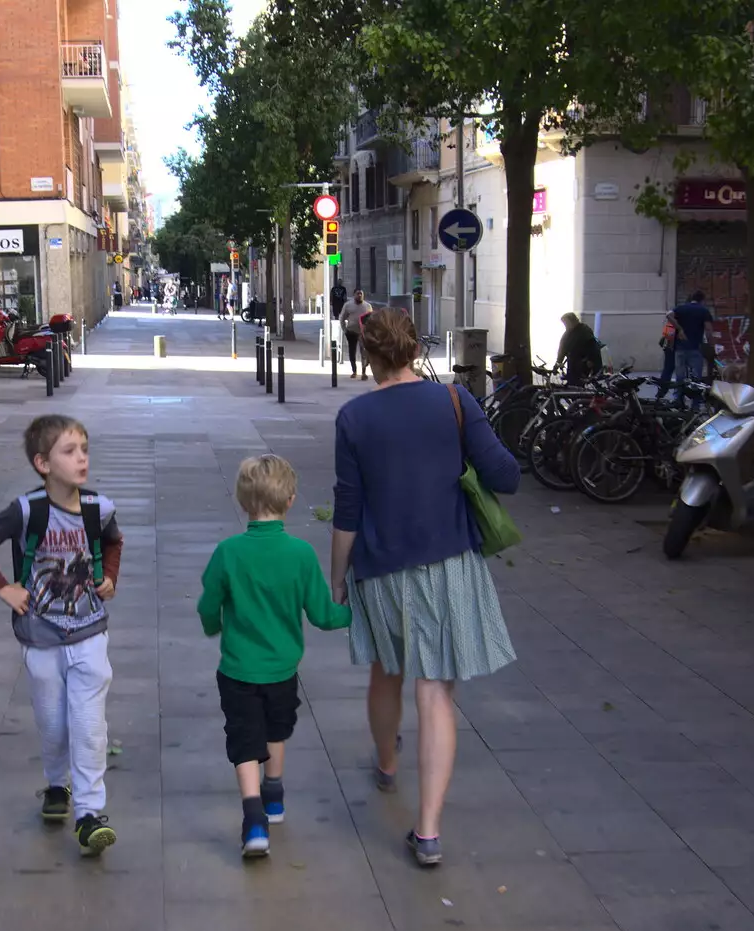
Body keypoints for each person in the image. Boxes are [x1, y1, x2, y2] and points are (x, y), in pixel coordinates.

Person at [329, 308, 519, 867]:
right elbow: (506, 475)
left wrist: (336, 580)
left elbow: (347, 510)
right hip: (449, 563)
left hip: (382, 566)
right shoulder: (455, 402)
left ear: (367, 355)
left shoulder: (353, 418)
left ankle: (386, 763)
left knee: (386, 669)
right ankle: (429, 832)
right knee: (435, 691)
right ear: (414, 349)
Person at [0, 415, 125, 857]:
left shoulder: (99, 507)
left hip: (90, 631)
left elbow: (113, 542)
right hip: (40, 635)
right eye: (69, 451)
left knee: (89, 726)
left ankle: (90, 815)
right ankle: (57, 786)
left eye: (84, 449)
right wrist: (3, 587)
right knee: (53, 724)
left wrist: (108, 576)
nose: (81, 459)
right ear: (42, 463)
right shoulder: (26, 510)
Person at [197, 455, 352, 858]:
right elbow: (322, 615)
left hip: (237, 668)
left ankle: (252, 822)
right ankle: (274, 795)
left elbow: (208, 604)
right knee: (276, 729)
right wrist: (355, 612)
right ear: (291, 500)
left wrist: (213, 624)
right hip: (283, 670)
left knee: (244, 738)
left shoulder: (228, 552)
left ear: (242, 499)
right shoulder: (300, 554)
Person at [666, 291, 716, 399]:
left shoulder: (680, 308)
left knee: (680, 377)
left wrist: (680, 329)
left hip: (680, 348)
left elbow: (668, 315)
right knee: (696, 379)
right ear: (702, 300)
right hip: (695, 348)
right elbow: (708, 329)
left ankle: (678, 400)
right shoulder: (703, 310)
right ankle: (695, 403)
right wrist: (711, 344)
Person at [555, 312, 603, 385]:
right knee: (571, 382)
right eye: (564, 323)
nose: (566, 325)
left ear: (573, 321)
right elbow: (562, 348)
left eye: (566, 323)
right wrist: (558, 362)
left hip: (582, 363)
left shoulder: (584, 330)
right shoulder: (568, 333)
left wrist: (591, 360)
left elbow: (592, 346)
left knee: (579, 383)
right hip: (572, 362)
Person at [338, 289, 375, 380]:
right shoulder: (348, 305)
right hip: (351, 332)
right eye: (357, 294)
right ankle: (354, 371)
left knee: (364, 352)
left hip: (363, 333)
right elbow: (342, 318)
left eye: (361, 294)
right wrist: (345, 330)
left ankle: (364, 372)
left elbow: (372, 320)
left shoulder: (367, 306)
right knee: (352, 352)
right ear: (354, 295)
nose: (359, 295)